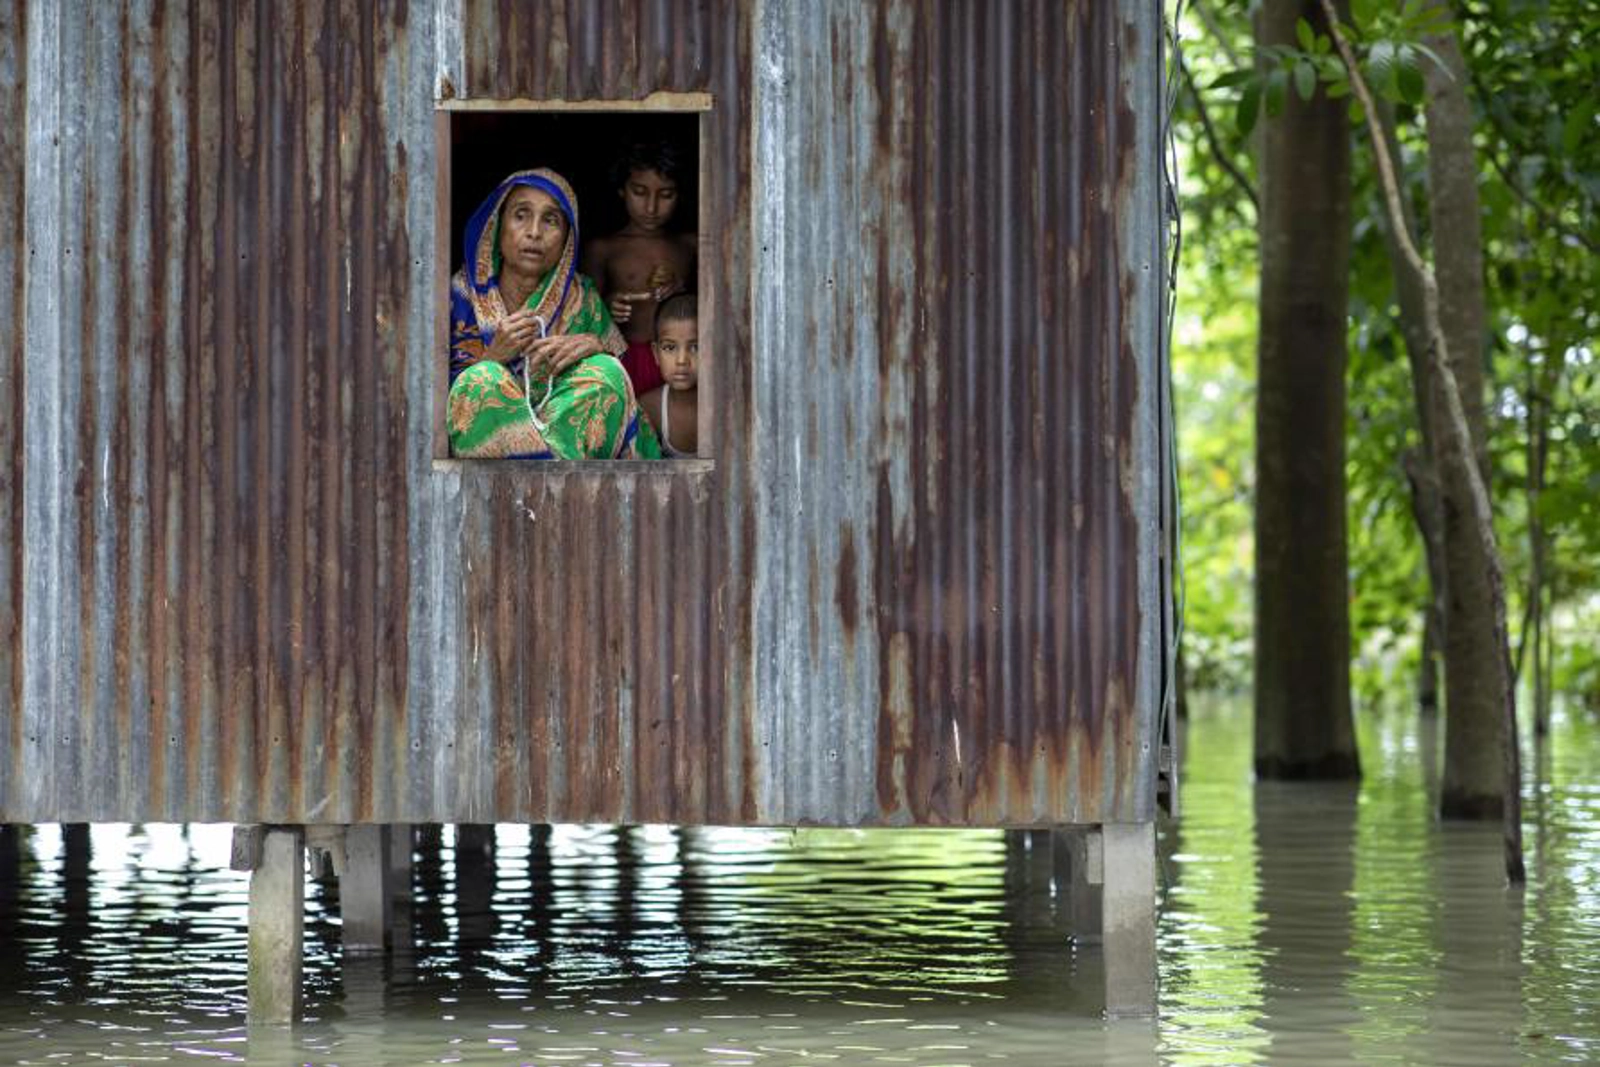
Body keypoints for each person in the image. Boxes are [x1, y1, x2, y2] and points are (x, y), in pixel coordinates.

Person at [448, 168, 659, 459]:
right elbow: (426, 399)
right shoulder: (458, 297)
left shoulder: (581, 297)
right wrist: (494, 356)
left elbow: (624, 387)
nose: (534, 232)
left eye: (550, 220)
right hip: (492, 454)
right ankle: (543, 483)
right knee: (481, 379)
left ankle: (547, 482)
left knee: (606, 370)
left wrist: (599, 348)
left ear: (567, 240)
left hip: (565, 441)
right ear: (497, 227)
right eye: (521, 215)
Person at [580, 140, 697, 397]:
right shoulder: (603, 249)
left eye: (666, 194)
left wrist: (682, 294)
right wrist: (608, 306)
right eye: (640, 192)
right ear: (622, 190)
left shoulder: (690, 246)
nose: (652, 207)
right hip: (623, 358)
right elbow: (583, 313)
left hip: (680, 359)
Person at [638, 295, 700, 458]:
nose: (681, 361)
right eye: (669, 348)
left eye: (695, 347)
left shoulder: (726, 407)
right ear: (656, 353)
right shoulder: (650, 409)